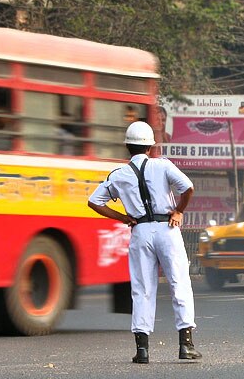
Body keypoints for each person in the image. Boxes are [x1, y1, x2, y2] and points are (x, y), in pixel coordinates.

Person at [87, 121, 201, 364]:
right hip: (167, 229)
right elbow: (188, 188)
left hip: (140, 231)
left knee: (142, 289)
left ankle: (142, 351)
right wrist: (178, 211)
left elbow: (94, 202)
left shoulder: (119, 175)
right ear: (150, 146)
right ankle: (186, 345)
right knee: (179, 283)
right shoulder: (163, 165)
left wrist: (124, 218)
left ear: (128, 146)